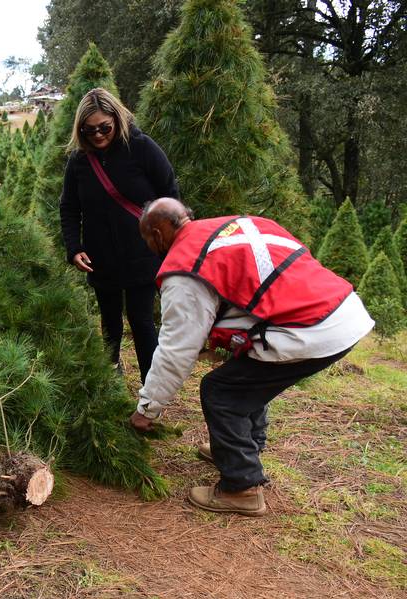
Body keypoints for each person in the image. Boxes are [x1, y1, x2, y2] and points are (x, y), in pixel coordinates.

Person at [129, 198, 374, 516]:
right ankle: (241, 449)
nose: (148, 246)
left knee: (222, 391)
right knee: (245, 376)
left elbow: (176, 350)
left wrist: (147, 409)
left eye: (146, 238)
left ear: (158, 234)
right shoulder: (237, 225)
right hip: (341, 308)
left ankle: (241, 487)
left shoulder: (185, 270)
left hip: (312, 327)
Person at [59, 88, 179, 383]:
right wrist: (74, 248)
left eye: (104, 128)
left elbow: (170, 194)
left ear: (117, 119)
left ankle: (152, 388)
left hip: (142, 253)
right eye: (89, 131)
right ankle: (111, 379)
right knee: (109, 321)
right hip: (101, 256)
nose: (98, 135)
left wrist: (173, 242)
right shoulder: (79, 161)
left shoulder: (141, 148)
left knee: (141, 321)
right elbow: (69, 207)